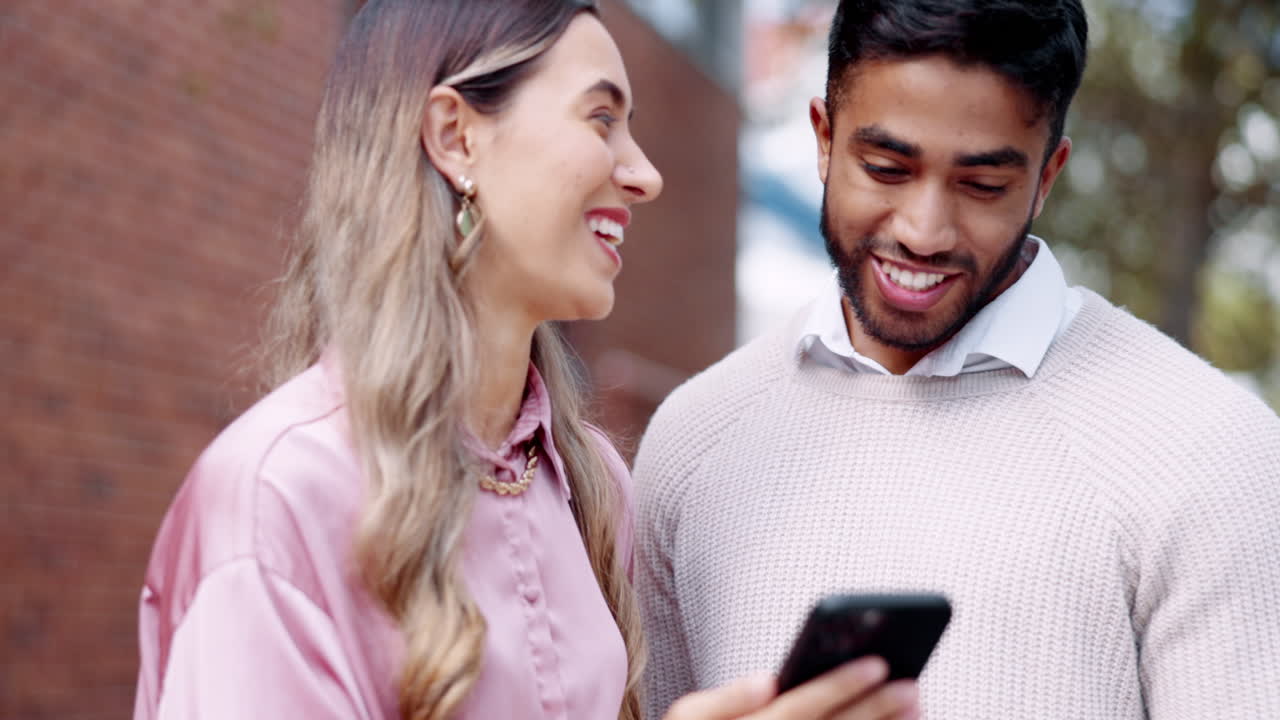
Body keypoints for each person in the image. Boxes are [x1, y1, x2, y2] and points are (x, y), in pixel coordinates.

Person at [132, 1, 922, 719]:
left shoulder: (593, 490)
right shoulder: (276, 496)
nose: (643, 175)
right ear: (456, 136)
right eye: (600, 119)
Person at [633, 0, 1280, 718]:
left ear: (1047, 177)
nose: (924, 231)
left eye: (982, 186)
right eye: (885, 168)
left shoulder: (1213, 452)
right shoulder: (692, 442)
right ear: (823, 137)